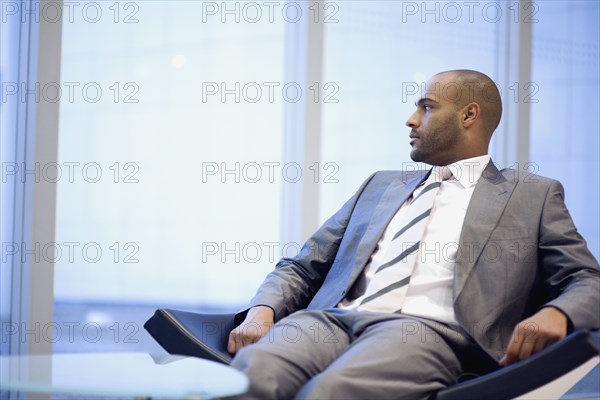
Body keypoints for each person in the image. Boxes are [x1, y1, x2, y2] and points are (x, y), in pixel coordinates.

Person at [226, 70, 600, 399]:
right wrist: (263, 311)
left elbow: (586, 279)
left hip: (423, 332)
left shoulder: (532, 194)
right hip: (326, 322)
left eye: (426, 107)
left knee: (331, 393)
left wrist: (558, 311)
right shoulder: (380, 185)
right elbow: (303, 264)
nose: (410, 120)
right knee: (251, 377)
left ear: (469, 115)